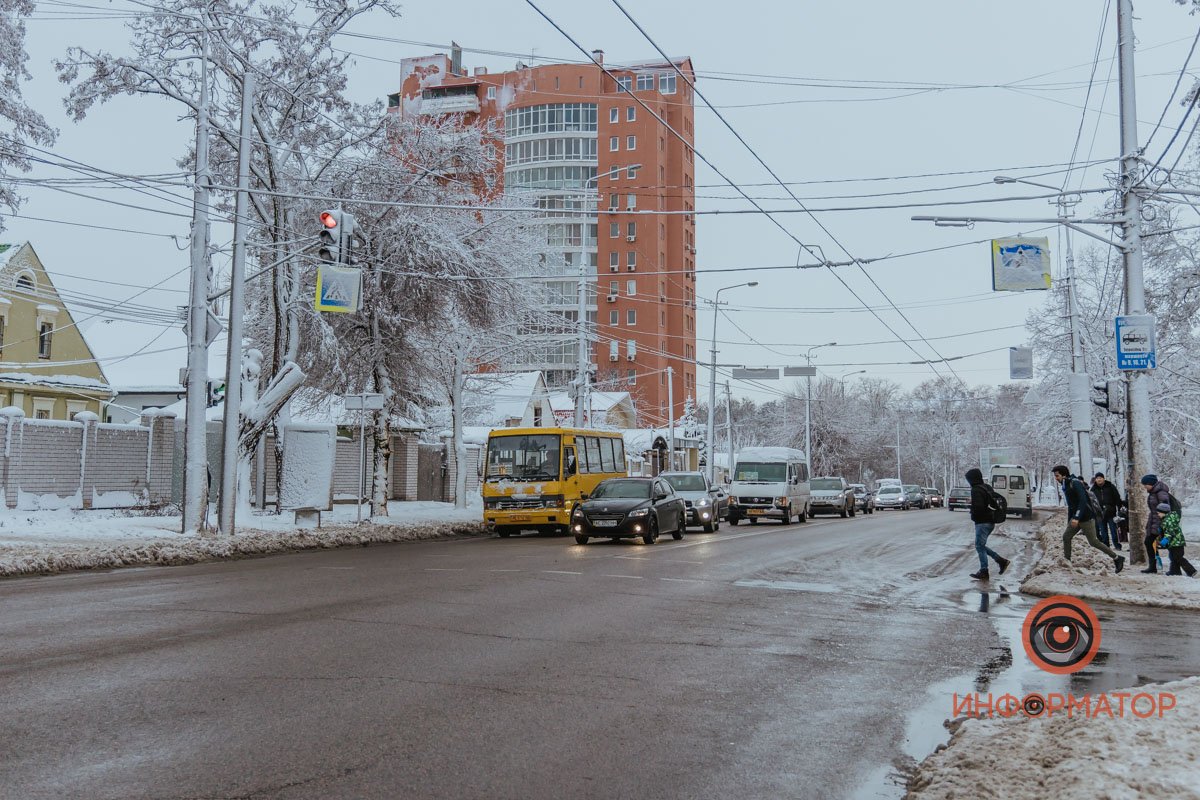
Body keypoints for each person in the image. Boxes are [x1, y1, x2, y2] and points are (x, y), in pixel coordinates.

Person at [1052, 465, 1125, 573]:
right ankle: (1067, 561)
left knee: (1093, 542)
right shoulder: (1066, 485)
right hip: (1076, 518)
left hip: (1086, 518)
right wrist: (1070, 520)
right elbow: (1072, 505)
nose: (1056, 478)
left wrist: (1077, 517)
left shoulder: (1075, 483)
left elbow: (1083, 501)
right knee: (1066, 536)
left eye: (1057, 476)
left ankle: (1117, 558)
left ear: (1064, 475)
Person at [965, 468, 1010, 581]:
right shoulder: (987, 487)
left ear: (972, 479)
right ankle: (1000, 561)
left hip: (982, 522)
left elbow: (979, 507)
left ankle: (985, 570)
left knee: (979, 546)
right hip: (990, 521)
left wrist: (971, 508)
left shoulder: (976, 489)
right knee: (980, 546)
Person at [1139, 474, 1182, 575]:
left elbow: (1165, 509)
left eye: (1145, 484)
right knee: (1149, 542)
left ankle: (1175, 569)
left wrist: (1161, 525)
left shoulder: (1161, 492)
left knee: (1170, 545)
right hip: (1154, 522)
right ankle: (1153, 566)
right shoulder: (1153, 492)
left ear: (1150, 483)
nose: (1144, 486)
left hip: (1161, 523)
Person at [1091, 472, 1124, 551]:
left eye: (1100, 478)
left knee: (1113, 530)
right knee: (1103, 530)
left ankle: (1117, 545)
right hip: (1099, 513)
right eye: (1097, 478)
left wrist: (1119, 508)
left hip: (1110, 512)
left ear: (1103, 478)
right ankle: (1106, 546)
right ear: (1095, 480)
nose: (1099, 480)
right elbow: (1091, 501)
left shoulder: (1110, 486)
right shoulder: (1093, 489)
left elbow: (1117, 497)